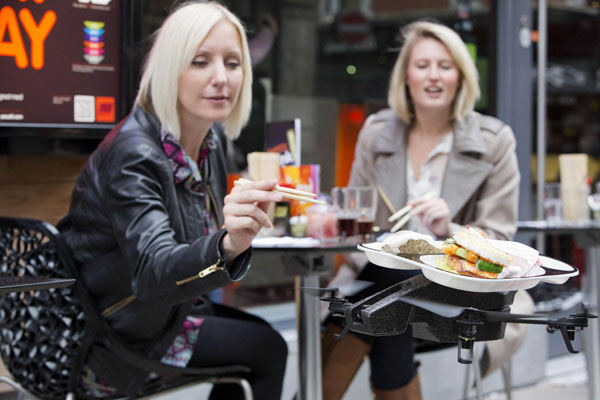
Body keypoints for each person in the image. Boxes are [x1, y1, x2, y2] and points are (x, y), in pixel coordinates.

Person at [58, 2, 287, 399]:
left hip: (167, 314)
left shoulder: (208, 143)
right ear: (169, 69)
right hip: (114, 334)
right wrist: (229, 243)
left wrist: (240, 227)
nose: (221, 78)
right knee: (267, 348)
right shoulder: (135, 151)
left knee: (260, 339)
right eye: (200, 62)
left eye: (233, 64)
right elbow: (151, 274)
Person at [322, 20, 532, 400]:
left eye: (445, 65)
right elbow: (358, 223)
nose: (433, 76)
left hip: (463, 289)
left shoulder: (494, 141)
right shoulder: (376, 134)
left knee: (384, 299)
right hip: (380, 283)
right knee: (392, 289)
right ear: (406, 76)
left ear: (461, 77)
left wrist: (447, 228)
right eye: (422, 65)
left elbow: (501, 244)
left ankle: (312, 393)